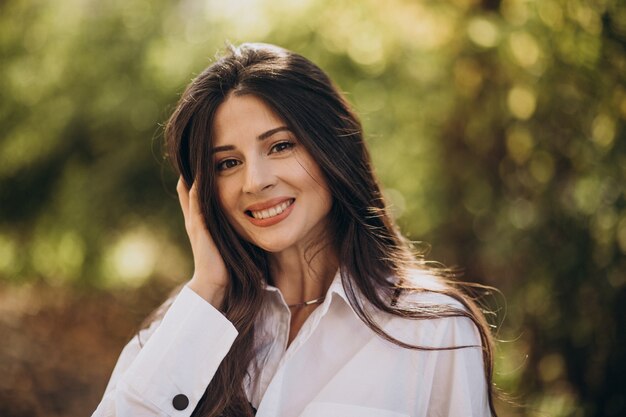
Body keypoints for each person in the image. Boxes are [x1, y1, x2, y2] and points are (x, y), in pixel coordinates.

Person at [93, 43, 498, 417]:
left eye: (281, 146)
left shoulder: (434, 329)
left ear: (332, 149)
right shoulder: (184, 325)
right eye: (227, 163)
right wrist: (209, 286)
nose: (255, 181)